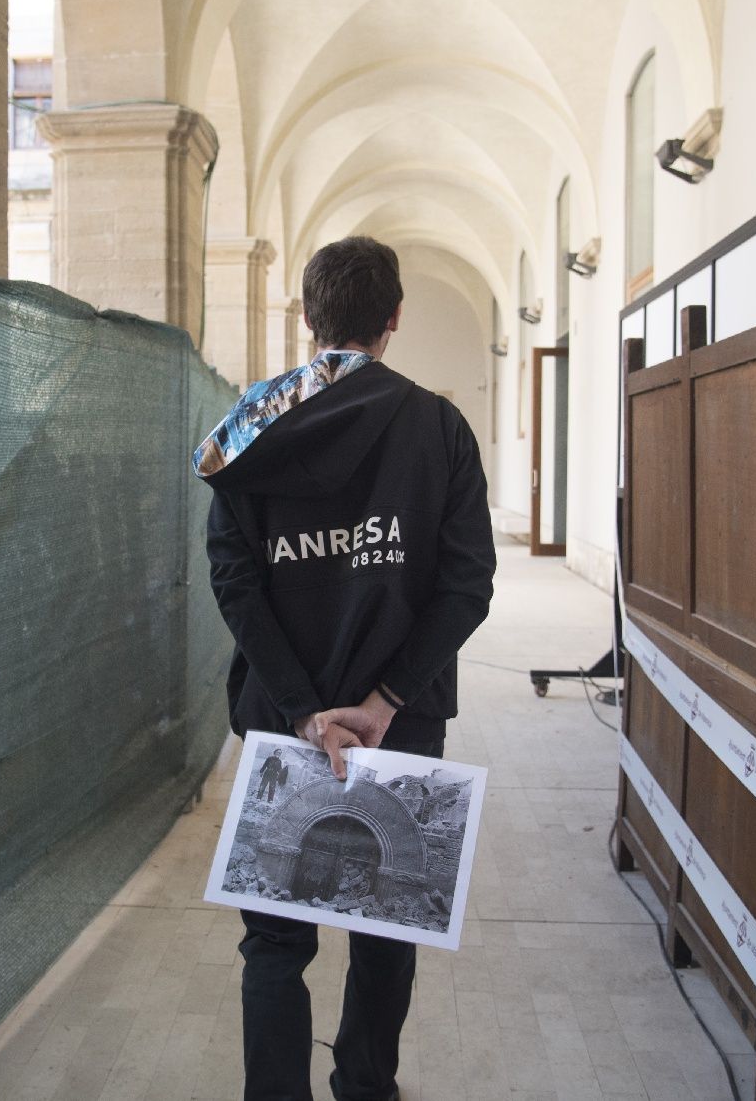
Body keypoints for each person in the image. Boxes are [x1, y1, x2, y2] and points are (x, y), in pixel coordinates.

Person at [193, 235, 497, 1101]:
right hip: (402, 725)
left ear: (306, 317)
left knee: (276, 944)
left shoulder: (250, 427)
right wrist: (384, 698)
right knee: (385, 931)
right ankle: (366, 1087)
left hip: (280, 720)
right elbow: (468, 583)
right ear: (394, 321)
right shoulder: (438, 427)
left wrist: (302, 710)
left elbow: (236, 580)